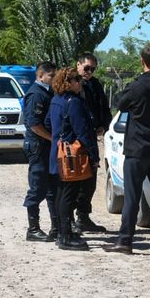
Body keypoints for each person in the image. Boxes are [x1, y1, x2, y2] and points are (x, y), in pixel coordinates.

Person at [102, 45, 150, 255]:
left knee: (132, 197)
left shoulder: (137, 86)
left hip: (138, 149)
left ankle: (125, 241)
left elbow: (120, 104)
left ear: (142, 61)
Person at [45, 67, 100, 251]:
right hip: (71, 157)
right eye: (76, 79)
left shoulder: (55, 100)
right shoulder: (73, 102)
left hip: (57, 154)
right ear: (68, 82)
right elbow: (83, 131)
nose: (80, 82)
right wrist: (94, 155)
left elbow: (47, 123)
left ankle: (63, 231)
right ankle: (65, 236)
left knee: (62, 193)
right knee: (69, 194)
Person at [72, 53, 112, 233]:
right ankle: (68, 219)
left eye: (93, 69)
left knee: (90, 180)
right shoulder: (71, 83)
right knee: (73, 180)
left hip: (92, 137)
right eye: (86, 68)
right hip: (75, 139)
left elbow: (103, 106)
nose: (89, 72)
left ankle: (83, 217)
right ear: (78, 65)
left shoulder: (94, 85)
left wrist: (103, 125)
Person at [22, 61, 58, 242]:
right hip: (38, 145)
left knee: (52, 187)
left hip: (47, 146)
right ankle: (33, 229)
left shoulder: (48, 92)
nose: (53, 79)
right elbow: (34, 124)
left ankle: (56, 227)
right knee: (38, 187)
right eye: (51, 76)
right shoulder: (36, 94)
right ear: (40, 76)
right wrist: (52, 138)